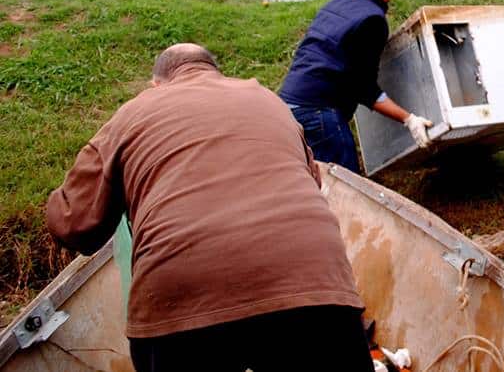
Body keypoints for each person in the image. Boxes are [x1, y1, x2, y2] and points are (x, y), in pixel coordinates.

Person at [46, 44, 374, 372]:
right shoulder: (268, 100)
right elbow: (313, 180)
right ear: (216, 72)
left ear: (156, 84)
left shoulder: (133, 112)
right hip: (317, 288)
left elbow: (75, 225)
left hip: (182, 304)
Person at [278, 0, 432, 174]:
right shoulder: (373, 20)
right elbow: (365, 89)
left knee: (308, 182)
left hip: (287, 105)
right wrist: (409, 119)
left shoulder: (339, 3)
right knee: (346, 186)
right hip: (318, 112)